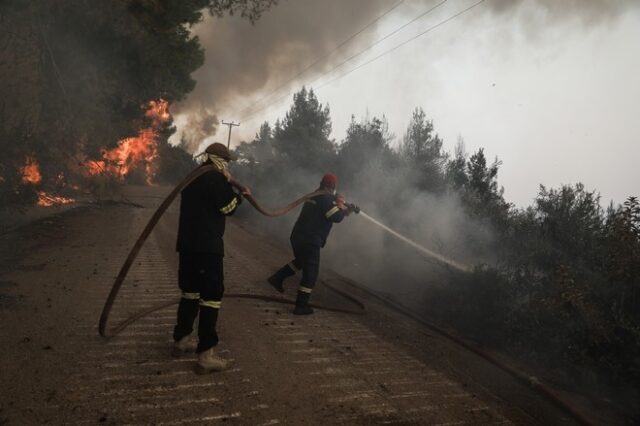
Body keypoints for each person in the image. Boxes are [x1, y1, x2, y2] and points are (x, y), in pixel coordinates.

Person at [172, 142, 249, 374]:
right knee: (211, 298)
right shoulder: (215, 178)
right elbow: (228, 208)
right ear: (220, 160)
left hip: (187, 246)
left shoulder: (193, 176)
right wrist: (241, 196)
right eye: (227, 162)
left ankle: (181, 340)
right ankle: (206, 355)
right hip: (208, 248)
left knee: (190, 293)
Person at [267, 173, 356, 315]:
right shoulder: (327, 198)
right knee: (311, 274)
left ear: (322, 183)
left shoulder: (316, 195)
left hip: (298, 237)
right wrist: (343, 208)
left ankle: (277, 278)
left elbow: (330, 211)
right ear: (333, 186)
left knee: (301, 261)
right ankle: (301, 305)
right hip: (310, 240)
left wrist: (344, 208)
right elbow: (335, 217)